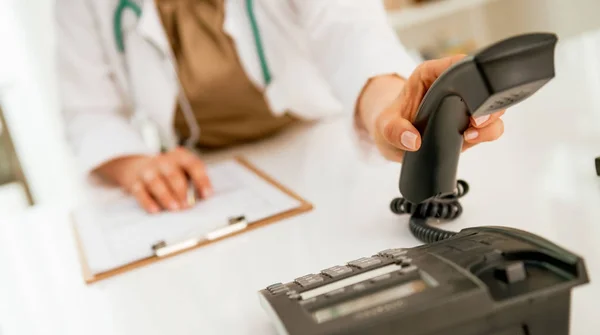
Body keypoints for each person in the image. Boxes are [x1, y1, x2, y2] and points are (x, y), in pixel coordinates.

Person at [56, 0, 505, 213]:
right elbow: (88, 111)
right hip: (210, 182)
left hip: (323, 149)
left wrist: (391, 109)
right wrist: (137, 166)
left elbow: (350, 35)